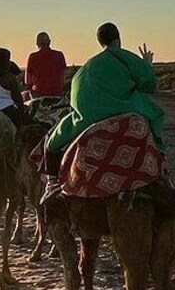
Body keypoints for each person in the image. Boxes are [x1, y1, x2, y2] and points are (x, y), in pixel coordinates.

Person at [42, 22, 165, 188]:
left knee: (51, 143)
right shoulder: (127, 58)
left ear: (100, 42)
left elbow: (75, 99)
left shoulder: (84, 69)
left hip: (87, 120)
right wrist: (147, 64)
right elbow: (150, 85)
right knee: (154, 125)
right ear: (118, 38)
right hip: (126, 114)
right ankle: (162, 171)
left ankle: (52, 183)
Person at [25, 32, 68, 98]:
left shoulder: (33, 57)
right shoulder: (59, 55)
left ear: (37, 43)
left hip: (38, 93)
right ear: (49, 42)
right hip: (57, 92)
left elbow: (28, 80)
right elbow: (63, 75)